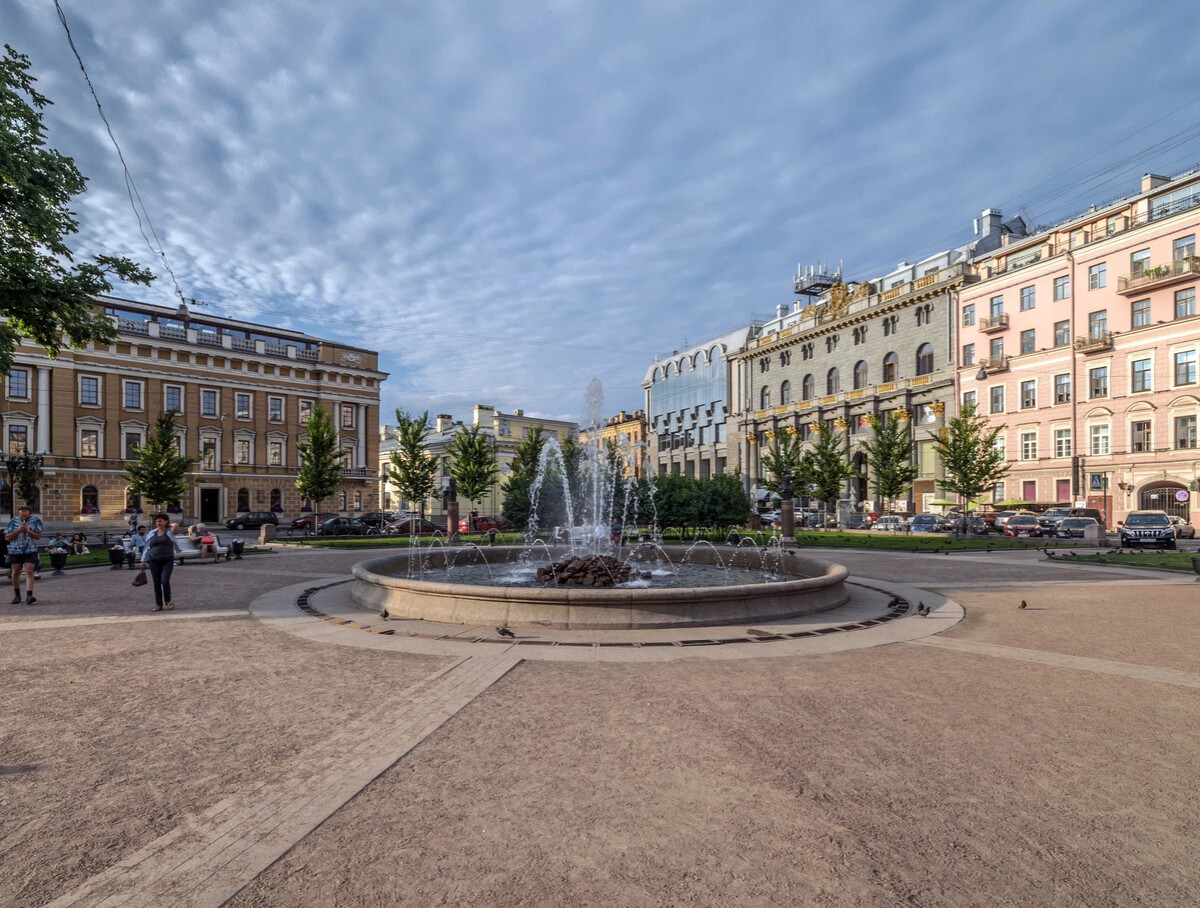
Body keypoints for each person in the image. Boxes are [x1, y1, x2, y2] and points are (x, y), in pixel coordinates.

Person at [140, 513, 179, 611]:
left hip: (167, 560)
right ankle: (159, 604)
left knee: (164, 581)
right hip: (153, 560)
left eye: (160, 521)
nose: (158, 523)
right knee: (156, 583)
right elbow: (147, 547)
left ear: (166, 521)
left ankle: (168, 600)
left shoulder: (170, 532)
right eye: (157, 521)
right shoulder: (152, 532)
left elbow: (176, 526)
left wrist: (168, 525)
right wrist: (143, 560)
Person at [5, 505, 43, 605]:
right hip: (15, 550)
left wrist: (28, 530)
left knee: (29, 570)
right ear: (19, 513)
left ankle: (29, 595)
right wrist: (18, 530)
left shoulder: (36, 521)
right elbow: (7, 538)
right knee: (15, 572)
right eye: (21, 515)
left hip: (30, 550)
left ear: (30, 513)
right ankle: (17, 595)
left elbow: (38, 536)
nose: (23, 518)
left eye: (25, 516)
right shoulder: (13, 522)